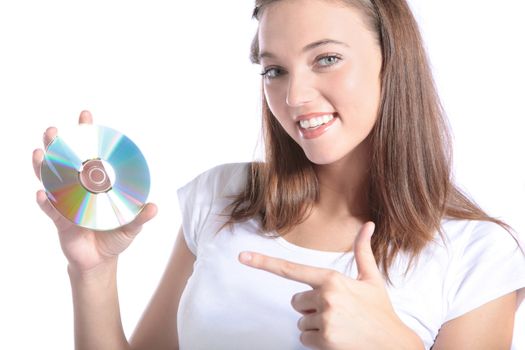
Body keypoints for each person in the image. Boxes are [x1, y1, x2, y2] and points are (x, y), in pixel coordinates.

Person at [32, 0, 525, 349]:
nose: (294, 98)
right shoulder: (221, 197)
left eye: (326, 59)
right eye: (275, 71)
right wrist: (92, 272)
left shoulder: (478, 255)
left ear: (393, 61)